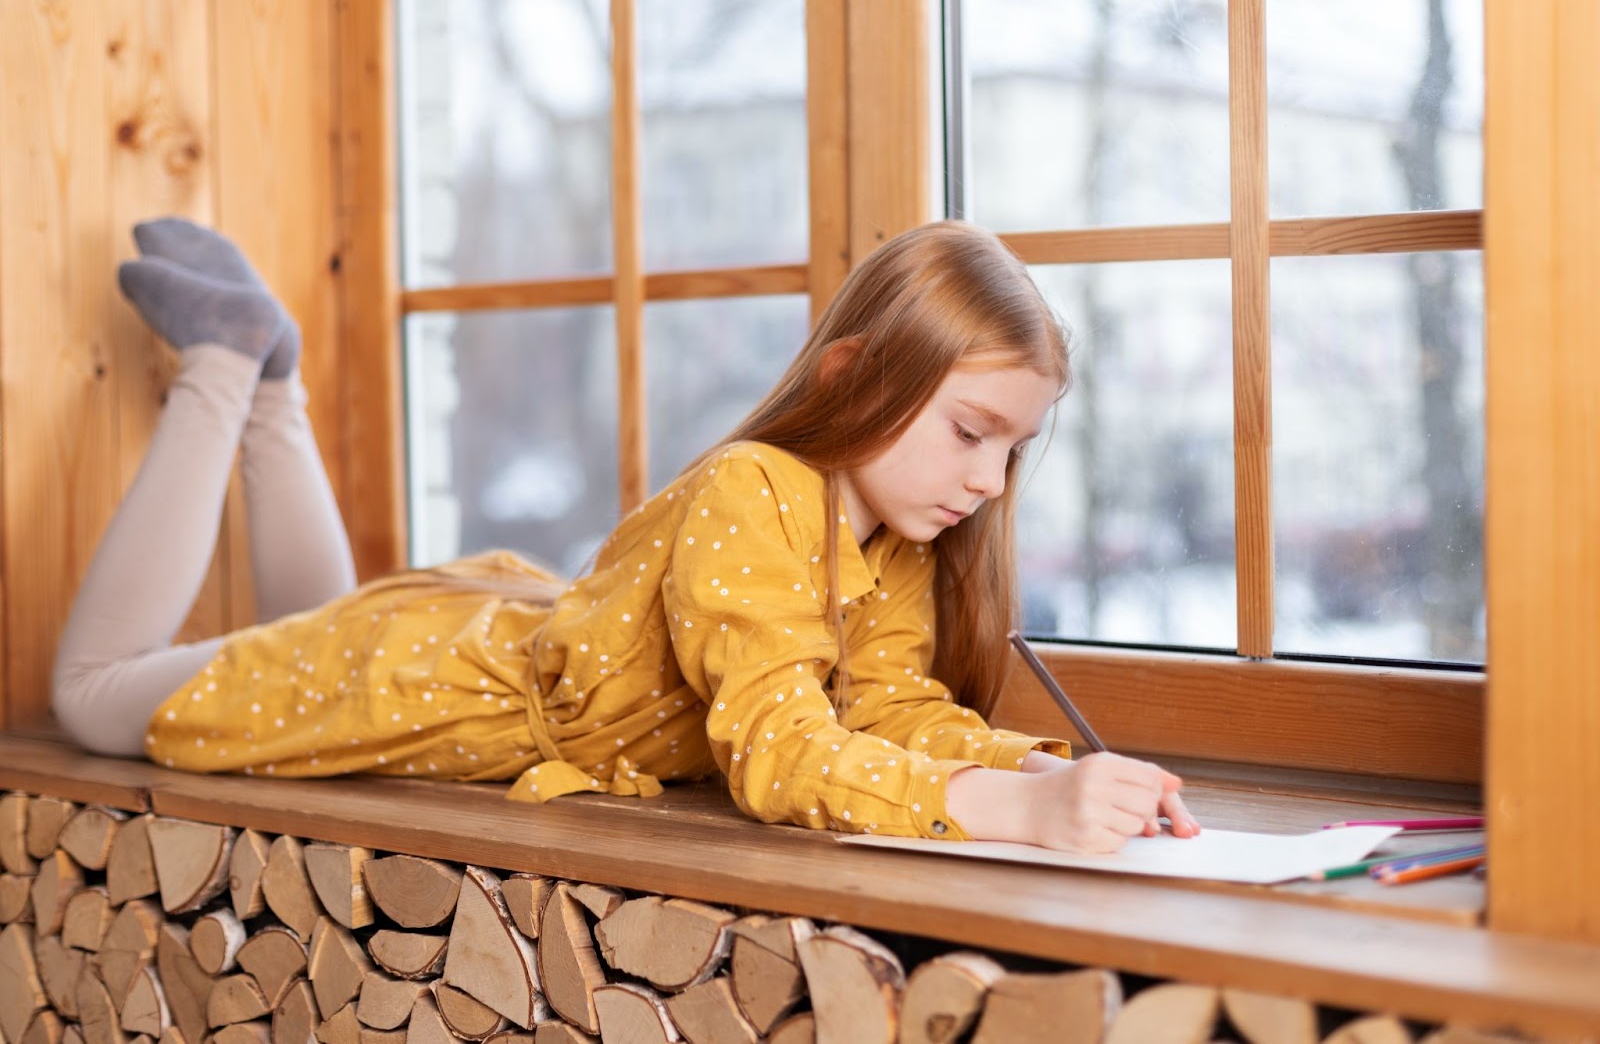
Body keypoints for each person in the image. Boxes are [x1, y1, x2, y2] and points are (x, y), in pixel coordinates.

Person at [52, 218, 1199, 854]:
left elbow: (892, 715)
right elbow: (782, 756)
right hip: (438, 686)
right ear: (854, 374)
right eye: (968, 432)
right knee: (92, 696)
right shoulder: (756, 487)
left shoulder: (891, 545)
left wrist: (1057, 773)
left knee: (290, 635)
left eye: (1011, 450)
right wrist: (1021, 812)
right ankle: (224, 365)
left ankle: (270, 382)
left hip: (464, 648)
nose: (990, 483)